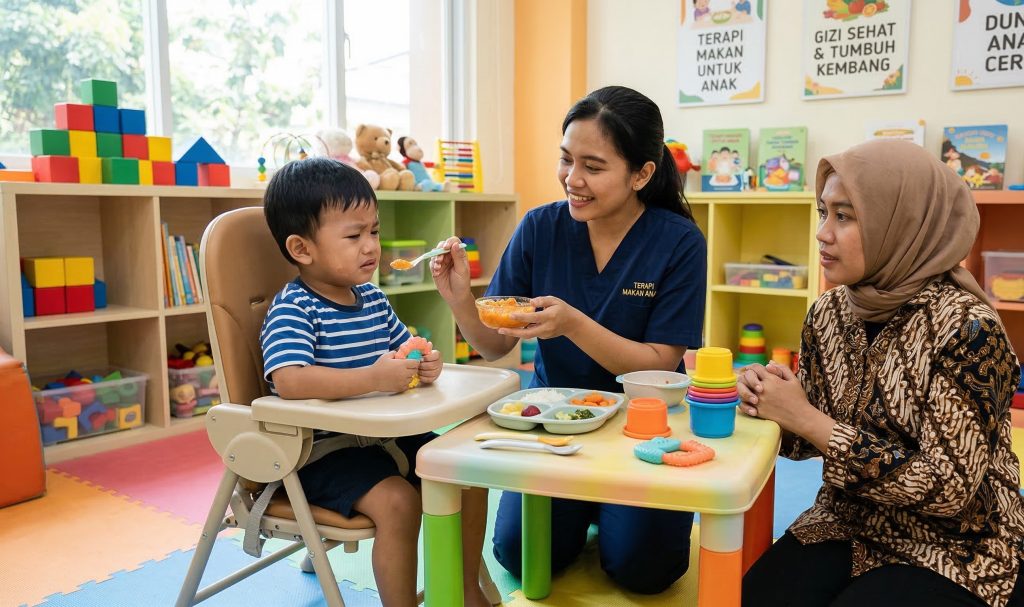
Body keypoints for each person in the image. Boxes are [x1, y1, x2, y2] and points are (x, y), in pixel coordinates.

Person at [431, 85, 707, 594]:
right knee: (517, 551)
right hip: (554, 427)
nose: (572, 180)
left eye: (593, 166)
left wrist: (573, 324)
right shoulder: (540, 227)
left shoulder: (679, 241)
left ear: (642, 174)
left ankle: (611, 510)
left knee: (644, 570)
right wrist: (459, 302)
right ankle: (593, 506)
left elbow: (659, 363)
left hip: (642, 426)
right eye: (565, 159)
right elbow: (495, 347)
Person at [738, 139, 1024, 607]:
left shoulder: (970, 329)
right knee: (750, 598)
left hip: (955, 545)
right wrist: (768, 402)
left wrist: (808, 419)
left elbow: (949, 488)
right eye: (822, 213)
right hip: (848, 520)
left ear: (902, 223)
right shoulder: (829, 312)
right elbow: (805, 437)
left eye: (845, 216)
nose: (823, 234)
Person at [259, 157, 491, 607]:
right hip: (322, 452)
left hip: (385, 437)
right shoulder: (295, 309)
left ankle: (465, 590)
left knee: (469, 474)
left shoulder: (372, 298)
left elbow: (404, 350)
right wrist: (372, 378)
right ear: (302, 249)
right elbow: (289, 380)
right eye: (353, 235)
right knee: (399, 504)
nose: (371, 247)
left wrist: (424, 364)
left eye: (374, 231)